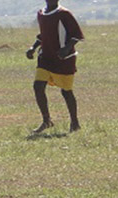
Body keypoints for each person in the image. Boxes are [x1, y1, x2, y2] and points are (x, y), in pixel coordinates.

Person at [26, 0, 84, 134]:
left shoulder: (64, 14)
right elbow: (43, 35)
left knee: (66, 92)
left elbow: (76, 35)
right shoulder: (41, 14)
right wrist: (33, 48)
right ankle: (47, 121)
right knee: (38, 86)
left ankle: (75, 122)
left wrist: (66, 48)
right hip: (45, 58)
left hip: (64, 59)